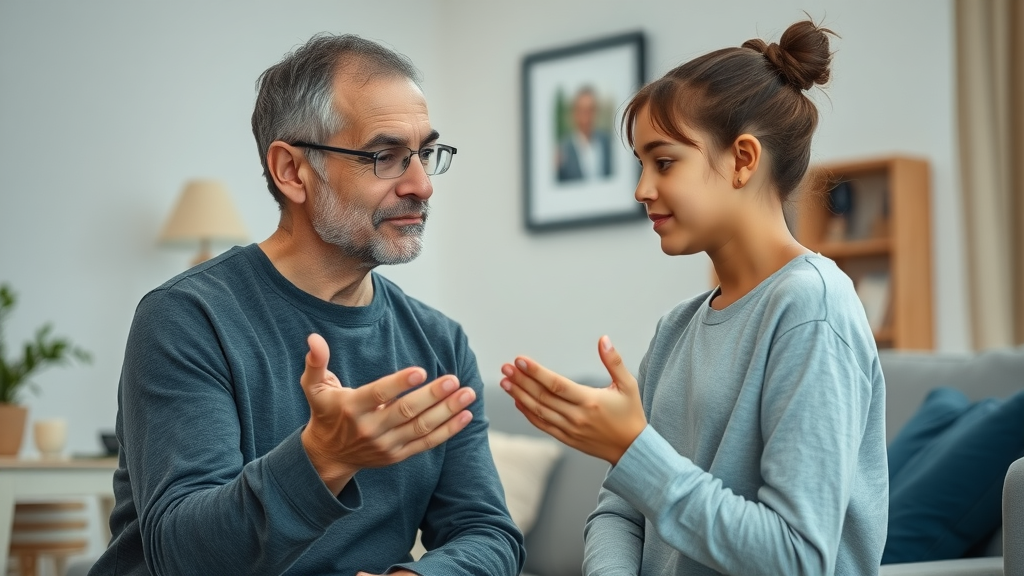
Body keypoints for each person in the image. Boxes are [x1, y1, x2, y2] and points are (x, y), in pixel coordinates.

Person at [90, 33, 524, 576]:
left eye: (424, 154)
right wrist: (323, 458)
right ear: (292, 171)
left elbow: (487, 533)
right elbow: (184, 557)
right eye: (385, 156)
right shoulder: (187, 319)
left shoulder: (439, 343)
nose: (421, 184)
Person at [500, 19, 887, 576]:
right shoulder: (676, 328)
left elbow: (797, 558)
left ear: (743, 160)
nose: (641, 190)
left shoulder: (812, 309)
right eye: (640, 164)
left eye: (664, 161)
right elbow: (619, 513)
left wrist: (633, 449)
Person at [556, 86, 613, 182]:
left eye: (591, 110)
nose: (587, 117)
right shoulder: (563, 149)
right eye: (582, 111)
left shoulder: (607, 141)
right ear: (575, 114)